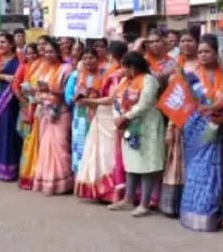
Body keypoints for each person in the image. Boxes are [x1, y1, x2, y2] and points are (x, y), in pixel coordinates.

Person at [179, 34, 223, 232]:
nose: (203, 55)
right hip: (193, 128)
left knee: (211, 170)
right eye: (200, 52)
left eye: (207, 51)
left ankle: (209, 213)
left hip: (215, 125)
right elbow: (179, 104)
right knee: (195, 169)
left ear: (216, 53)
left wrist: (217, 112)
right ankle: (190, 212)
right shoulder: (190, 75)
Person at [109, 51, 165, 217]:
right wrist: (117, 117)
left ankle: (144, 203)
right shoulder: (125, 81)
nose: (122, 71)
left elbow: (145, 104)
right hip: (129, 126)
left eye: (124, 67)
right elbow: (116, 100)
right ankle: (127, 200)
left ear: (132, 67)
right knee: (131, 163)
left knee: (146, 165)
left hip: (147, 126)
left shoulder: (149, 81)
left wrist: (125, 117)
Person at [75, 41, 127, 202]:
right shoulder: (114, 72)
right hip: (105, 115)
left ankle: (109, 190)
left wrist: (91, 102)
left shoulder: (115, 73)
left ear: (110, 55)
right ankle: (107, 189)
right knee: (103, 152)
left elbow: (112, 99)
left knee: (106, 153)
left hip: (108, 115)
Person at [161, 30, 200, 217]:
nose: (185, 44)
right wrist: (170, 126)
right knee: (177, 160)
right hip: (178, 120)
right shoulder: (176, 67)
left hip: (200, 120)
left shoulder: (204, 66)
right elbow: (173, 99)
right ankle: (175, 205)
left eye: (189, 40)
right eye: (182, 41)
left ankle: (194, 203)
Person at [29, 37, 73, 195]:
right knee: (45, 147)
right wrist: (36, 92)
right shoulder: (43, 69)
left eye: (51, 51)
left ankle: (64, 183)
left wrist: (50, 90)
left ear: (58, 52)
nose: (48, 54)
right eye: (45, 52)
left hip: (61, 111)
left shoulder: (66, 69)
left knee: (60, 145)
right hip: (45, 111)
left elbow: (68, 94)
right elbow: (38, 91)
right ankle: (47, 181)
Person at [0, 32, 22, 181]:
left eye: (4, 42)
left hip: (10, 99)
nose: (0, 45)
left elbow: (21, 76)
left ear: (11, 44)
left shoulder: (18, 59)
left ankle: (9, 169)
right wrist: (2, 77)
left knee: (9, 132)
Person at [65, 48, 100, 172]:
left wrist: (95, 94)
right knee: (80, 147)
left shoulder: (102, 74)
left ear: (97, 59)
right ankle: (80, 179)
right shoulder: (75, 75)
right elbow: (67, 96)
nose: (88, 61)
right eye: (85, 58)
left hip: (98, 115)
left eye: (91, 58)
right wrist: (75, 98)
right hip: (80, 116)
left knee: (96, 147)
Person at [16, 42, 44, 190]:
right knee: (29, 140)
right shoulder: (27, 67)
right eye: (29, 53)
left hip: (41, 107)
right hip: (29, 106)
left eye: (35, 53)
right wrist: (26, 102)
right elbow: (18, 86)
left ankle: (38, 174)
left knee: (39, 140)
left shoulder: (43, 65)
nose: (32, 56)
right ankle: (28, 172)